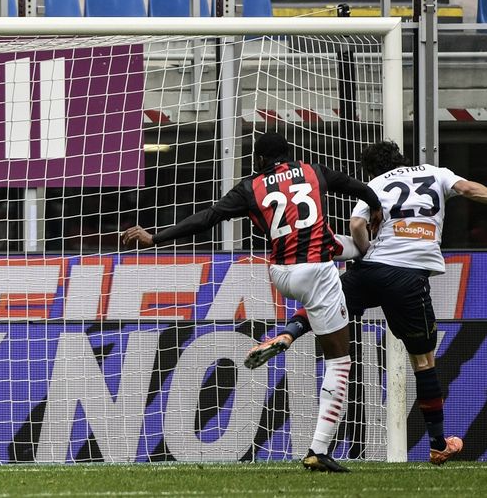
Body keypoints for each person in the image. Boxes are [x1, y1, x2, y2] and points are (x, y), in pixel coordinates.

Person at [122, 132, 382, 472]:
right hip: (317, 271)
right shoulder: (314, 171)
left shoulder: (249, 187)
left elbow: (206, 219)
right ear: (289, 154)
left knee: (342, 247)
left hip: (280, 273)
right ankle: (318, 449)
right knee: (340, 361)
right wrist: (375, 209)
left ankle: (289, 333)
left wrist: (155, 236)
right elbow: (361, 190)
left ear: (259, 160)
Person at [245, 140, 485, 465]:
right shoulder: (434, 172)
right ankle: (438, 444)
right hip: (408, 276)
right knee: (424, 362)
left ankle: (288, 332)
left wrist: (366, 251)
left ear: (370, 170)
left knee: (327, 298)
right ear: (402, 158)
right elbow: (470, 189)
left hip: (370, 269)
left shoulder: (375, 184)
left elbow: (357, 225)